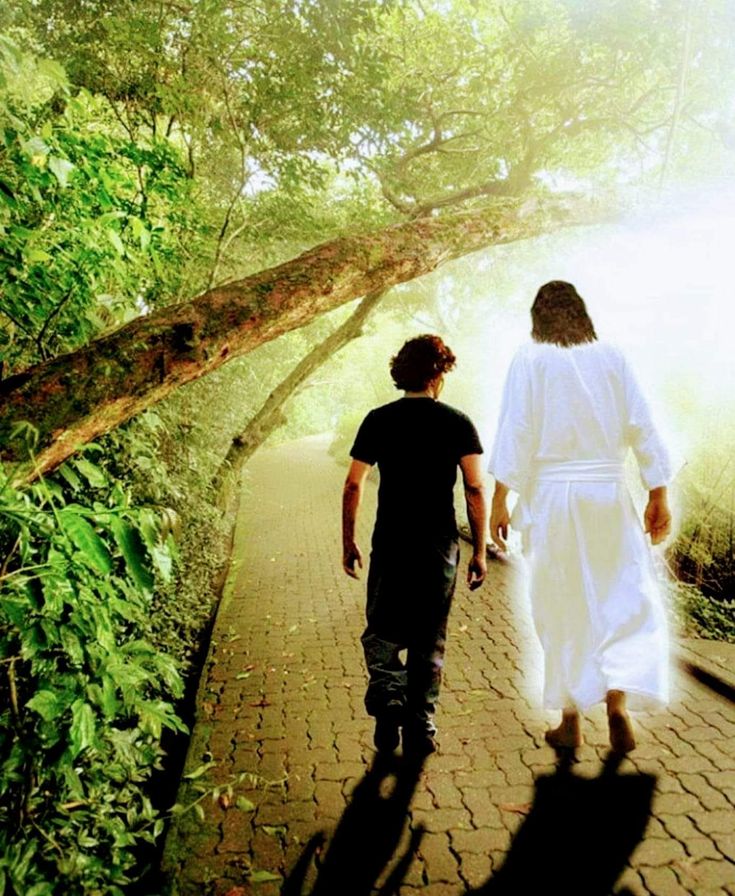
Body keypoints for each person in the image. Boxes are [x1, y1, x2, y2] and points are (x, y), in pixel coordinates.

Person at [488, 281, 673, 755]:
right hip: (608, 494)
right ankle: (617, 705)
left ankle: (570, 720)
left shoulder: (529, 360)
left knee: (561, 604)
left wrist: (499, 500)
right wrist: (658, 494)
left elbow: (517, 431)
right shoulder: (613, 357)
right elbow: (641, 424)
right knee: (622, 598)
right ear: (582, 314)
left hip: (553, 496)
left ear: (538, 319)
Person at [342, 334, 487, 756]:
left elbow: (354, 483)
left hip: (389, 543)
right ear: (438, 375)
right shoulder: (458, 423)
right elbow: (475, 488)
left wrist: (348, 541)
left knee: (383, 630)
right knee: (429, 638)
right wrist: (478, 551)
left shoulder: (378, 420)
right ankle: (420, 727)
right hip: (438, 547)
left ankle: (389, 702)